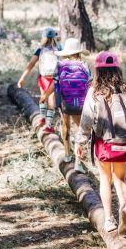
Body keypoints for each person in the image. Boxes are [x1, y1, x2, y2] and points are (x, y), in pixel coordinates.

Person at [75, 51, 126, 234]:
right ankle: (124, 207)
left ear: (97, 71)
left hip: (105, 144)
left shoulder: (94, 92)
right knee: (120, 178)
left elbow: (86, 120)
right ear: (117, 69)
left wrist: (80, 142)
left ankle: (110, 220)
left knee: (105, 178)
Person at [40, 38, 91, 173]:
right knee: (79, 131)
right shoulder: (84, 65)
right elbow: (90, 85)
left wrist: (45, 95)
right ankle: (79, 162)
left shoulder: (60, 65)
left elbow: (53, 84)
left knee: (65, 126)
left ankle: (68, 155)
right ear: (79, 52)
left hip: (65, 103)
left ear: (67, 52)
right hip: (81, 104)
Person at [17, 28, 61, 133]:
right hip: (54, 78)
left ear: (44, 38)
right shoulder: (59, 47)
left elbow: (31, 64)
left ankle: (42, 118)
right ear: (54, 37)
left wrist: (22, 78)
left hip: (43, 78)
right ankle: (49, 125)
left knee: (43, 98)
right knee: (51, 102)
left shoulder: (40, 49)